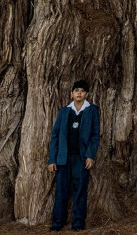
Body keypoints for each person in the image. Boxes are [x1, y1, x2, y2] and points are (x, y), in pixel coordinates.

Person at [47, 80, 100, 232]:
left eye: (82, 91)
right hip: (63, 157)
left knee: (80, 189)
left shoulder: (92, 110)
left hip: (81, 158)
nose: (79, 93)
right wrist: (52, 159)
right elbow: (55, 136)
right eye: (76, 90)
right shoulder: (64, 111)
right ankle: (58, 222)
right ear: (71, 93)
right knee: (61, 190)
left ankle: (77, 222)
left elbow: (95, 135)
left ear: (86, 94)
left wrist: (90, 155)